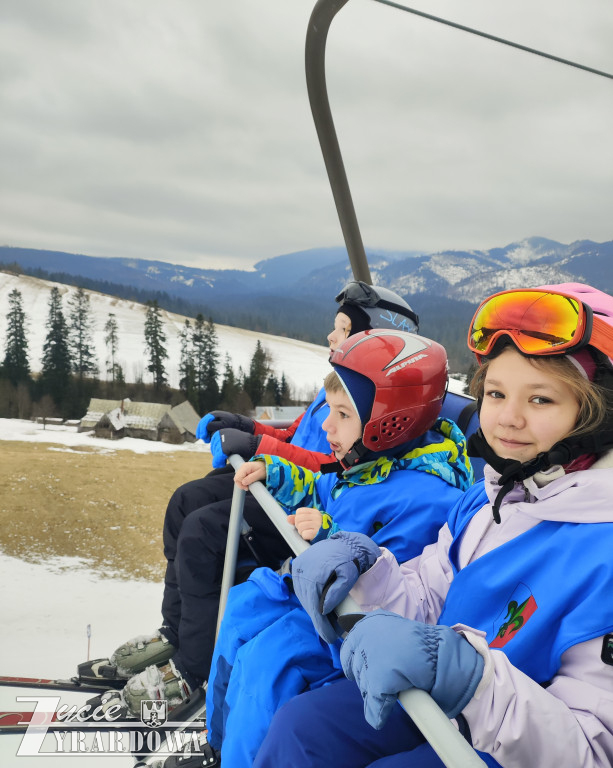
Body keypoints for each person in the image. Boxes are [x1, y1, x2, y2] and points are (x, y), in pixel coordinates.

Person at [254, 282, 613, 768]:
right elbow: (427, 595)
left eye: (541, 400)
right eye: (496, 393)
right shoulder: (488, 500)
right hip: (443, 705)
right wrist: (367, 569)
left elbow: (592, 750)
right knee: (302, 729)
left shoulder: (600, 547)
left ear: (594, 417)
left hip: (512, 744)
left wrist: (466, 675)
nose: (507, 418)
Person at [85, 283, 422, 709]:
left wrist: (259, 448)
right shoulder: (333, 388)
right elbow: (296, 432)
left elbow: (329, 462)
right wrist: (251, 428)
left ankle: (195, 666)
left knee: (202, 532)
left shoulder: (366, 399)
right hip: (278, 481)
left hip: (299, 501)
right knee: (184, 503)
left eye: (342, 329)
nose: (330, 337)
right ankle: (176, 631)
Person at [204, 328, 474, 767]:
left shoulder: (425, 498)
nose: (326, 426)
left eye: (343, 415)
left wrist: (328, 535)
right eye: (329, 412)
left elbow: (388, 579)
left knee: (267, 664)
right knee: (241, 606)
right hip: (312, 595)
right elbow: (323, 487)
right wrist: (274, 471)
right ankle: (217, 740)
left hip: (343, 624)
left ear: (391, 421)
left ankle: (242, 757)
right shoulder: (369, 466)